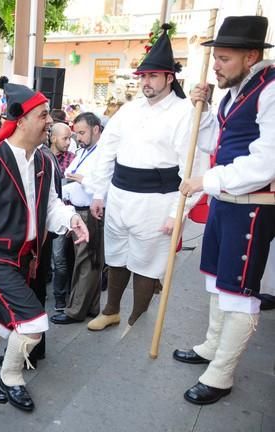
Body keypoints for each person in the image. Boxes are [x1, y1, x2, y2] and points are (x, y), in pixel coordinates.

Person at [0, 82, 89, 412]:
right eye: (42, 116)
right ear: (21, 120)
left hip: (27, 256)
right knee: (34, 322)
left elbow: (50, 205)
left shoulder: (45, 161)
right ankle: (12, 377)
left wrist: (71, 220)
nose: (48, 123)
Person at [174, 16, 275, 405]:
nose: (216, 64)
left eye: (225, 58)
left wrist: (206, 182)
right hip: (226, 201)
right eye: (215, 56)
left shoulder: (269, 91)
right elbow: (208, 143)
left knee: (239, 292)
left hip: (251, 206)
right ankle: (211, 346)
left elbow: (267, 162)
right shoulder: (234, 92)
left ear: (251, 56)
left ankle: (221, 374)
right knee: (216, 280)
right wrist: (199, 109)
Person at [86, 23, 205, 332]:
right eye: (143, 76)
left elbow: (193, 167)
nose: (146, 82)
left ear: (169, 77)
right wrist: (99, 193)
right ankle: (111, 310)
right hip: (120, 195)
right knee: (117, 256)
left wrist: (176, 212)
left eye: (153, 76)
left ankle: (137, 315)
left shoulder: (185, 112)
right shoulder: (128, 110)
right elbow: (106, 151)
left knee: (146, 261)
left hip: (157, 200)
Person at [51, 112, 104, 325]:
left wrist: (82, 179)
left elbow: (103, 185)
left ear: (96, 129)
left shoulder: (104, 154)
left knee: (86, 263)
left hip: (90, 212)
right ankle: (90, 306)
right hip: (76, 209)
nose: (78, 138)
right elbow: (71, 173)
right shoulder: (85, 151)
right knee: (86, 262)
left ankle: (75, 310)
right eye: (76, 134)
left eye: (82, 133)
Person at [49, 122, 75, 311]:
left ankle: (60, 297)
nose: (69, 142)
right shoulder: (42, 156)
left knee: (59, 258)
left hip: (62, 216)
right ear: (53, 137)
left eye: (70, 138)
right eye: (65, 138)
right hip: (42, 217)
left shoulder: (72, 159)